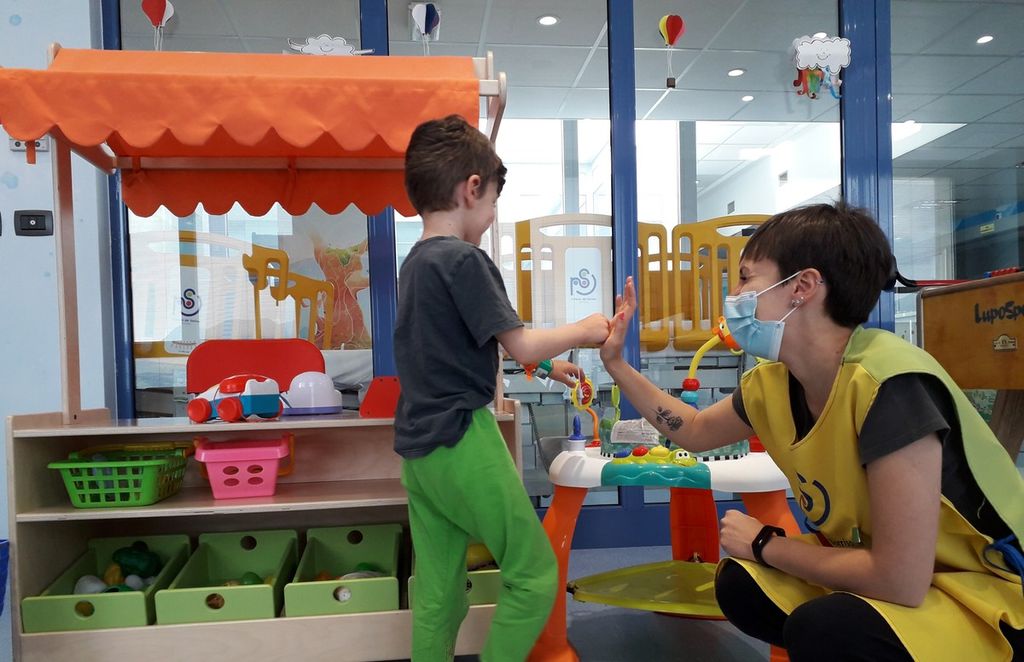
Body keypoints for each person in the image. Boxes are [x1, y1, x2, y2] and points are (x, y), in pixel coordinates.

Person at [599, 202, 1024, 661]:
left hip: (984, 594)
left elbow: (900, 580)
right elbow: (696, 431)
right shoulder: (773, 383)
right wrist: (616, 364)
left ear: (802, 287)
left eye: (745, 277)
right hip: (906, 580)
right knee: (742, 585)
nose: (734, 294)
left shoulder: (890, 385)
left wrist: (764, 543)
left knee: (825, 628)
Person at [394, 114, 610, 662]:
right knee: (534, 574)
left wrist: (548, 368)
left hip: (419, 452)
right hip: (463, 440)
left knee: (439, 595)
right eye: (492, 202)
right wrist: (585, 329)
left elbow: (469, 346)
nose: (490, 215)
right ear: (472, 189)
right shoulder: (465, 260)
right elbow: (521, 343)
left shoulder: (416, 263)